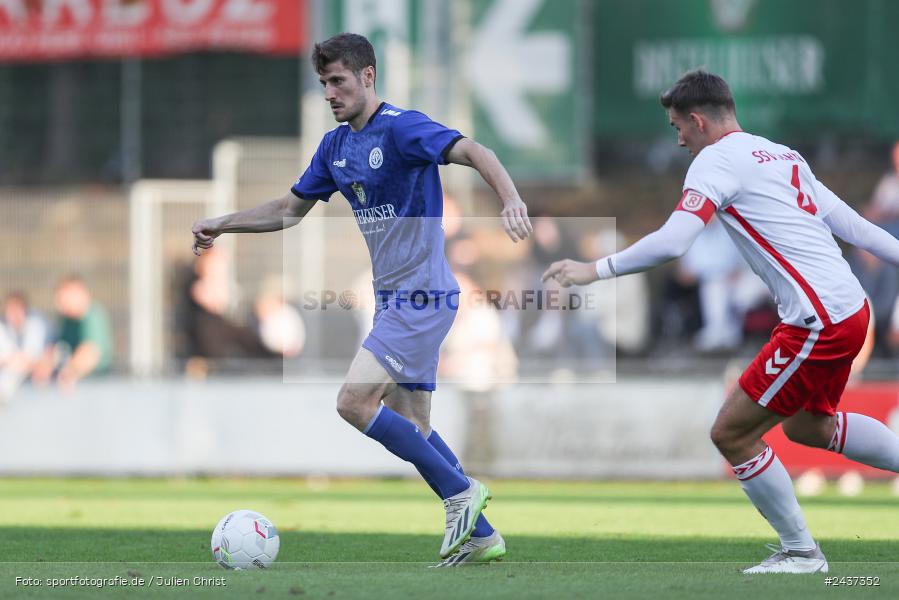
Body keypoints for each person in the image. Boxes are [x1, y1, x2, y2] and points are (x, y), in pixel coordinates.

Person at [191, 33, 531, 566]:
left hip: (422, 295)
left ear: (368, 77)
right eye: (324, 83)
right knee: (412, 424)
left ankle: (462, 493)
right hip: (395, 300)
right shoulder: (334, 147)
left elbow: (473, 150)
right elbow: (287, 209)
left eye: (339, 81)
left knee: (353, 402)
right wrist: (223, 223)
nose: (330, 92)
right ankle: (483, 535)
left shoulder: (400, 127)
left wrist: (510, 198)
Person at [543, 70, 899, 574]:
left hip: (818, 320)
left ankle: (801, 553)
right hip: (848, 310)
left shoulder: (715, 160)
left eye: (677, 128)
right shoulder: (781, 154)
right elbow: (859, 229)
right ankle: (801, 550)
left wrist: (594, 270)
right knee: (808, 426)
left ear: (697, 120)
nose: (680, 140)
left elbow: (673, 242)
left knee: (731, 433)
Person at [32, 276, 113, 392]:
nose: (59, 304)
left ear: (79, 293)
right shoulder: (67, 321)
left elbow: (91, 352)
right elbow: (58, 348)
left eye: (63, 297)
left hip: (95, 387)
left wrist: (70, 372)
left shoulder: (93, 316)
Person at [0, 292, 50, 402]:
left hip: (37, 391)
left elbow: (31, 356)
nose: (14, 314)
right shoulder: (2, 327)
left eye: (17, 309)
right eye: (10, 310)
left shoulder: (36, 324)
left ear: (24, 310)